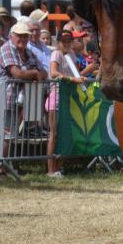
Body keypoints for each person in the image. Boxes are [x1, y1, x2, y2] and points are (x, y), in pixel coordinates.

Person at [0, 21, 48, 158]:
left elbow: (44, 73)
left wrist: (36, 74)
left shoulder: (27, 52)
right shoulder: (6, 48)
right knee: (4, 136)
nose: (23, 39)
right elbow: (17, 73)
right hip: (4, 99)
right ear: (12, 36)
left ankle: (2, 168)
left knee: (10, 135)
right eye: (19, 35)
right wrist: (34, 74)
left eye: (25, 36)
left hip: (18, 101)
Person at [45, 31, 85, 178]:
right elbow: (54, 73)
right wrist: (72, 79)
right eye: (64, 40)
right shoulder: (56, 54)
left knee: (66, 136)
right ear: (59, 41)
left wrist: (88, 71)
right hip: (56, 98)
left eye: (70, 40)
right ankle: (50, 170)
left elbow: (76, 76)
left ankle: (57, 168)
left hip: (67, 98)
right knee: (54, 135)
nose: (67, 42)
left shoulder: (72, 56)